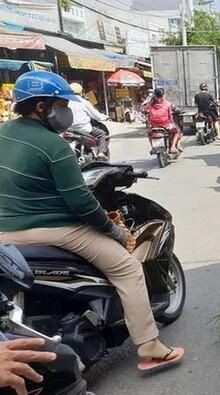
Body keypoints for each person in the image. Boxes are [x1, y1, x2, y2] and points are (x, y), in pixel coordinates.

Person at [0, 71, 184, 373]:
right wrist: (113, 231)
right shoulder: (53, 145)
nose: (67, 111)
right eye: (62, 104)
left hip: (7, 233)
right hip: (55, 231)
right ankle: (150, 345)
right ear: (42, 107)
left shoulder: (3, 133)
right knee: (128, 268)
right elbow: (82, 203)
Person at [67, 83, 110, 160]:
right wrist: (105, 117)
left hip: (68, 130)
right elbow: (96, 116)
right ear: (81, 92)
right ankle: (101, 153)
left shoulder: (65, 102)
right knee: (102, 134)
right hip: (85, 130)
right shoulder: (83, 102)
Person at [146, 88, 183, 154]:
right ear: (163, 95)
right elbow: (170, 117)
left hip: (153, 126)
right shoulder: (167, 104)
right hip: (165, 125)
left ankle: (153, 148)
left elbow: (147, 113)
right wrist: (173, 123)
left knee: (149, 134)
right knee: (177, 131)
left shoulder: (150, 104)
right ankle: (173, 147)